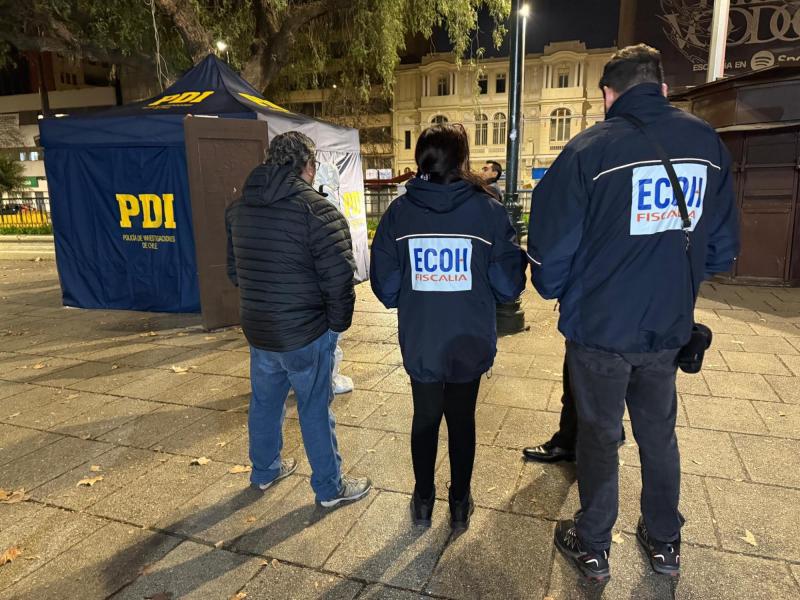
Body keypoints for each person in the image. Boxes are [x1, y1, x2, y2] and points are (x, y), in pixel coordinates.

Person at [527, 45, 739, 581]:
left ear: (607, 94)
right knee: (658, 433)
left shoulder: (587, 151)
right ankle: (664, 539)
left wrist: (554, 288)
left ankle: (594, 544)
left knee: (600, 435)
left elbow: (551, 253)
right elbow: (721, 247)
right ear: (663, 89)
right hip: (667, 324)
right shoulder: (707, 144)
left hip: (600, 328)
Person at [370, 124, 527, 531]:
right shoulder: (487, 210)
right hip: (468, 338)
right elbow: (508, 285)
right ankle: (459, 502)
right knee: (462, 419)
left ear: (421, 160)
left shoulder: (399, 214)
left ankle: (423, 499)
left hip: (422, 337)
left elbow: (386, 286)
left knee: (424, 417)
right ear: (462, 160)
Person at [226, 131, 372, 508]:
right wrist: (337, 326)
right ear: (308, 166)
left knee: (265, 401)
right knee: (313, 408)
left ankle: (264, 471)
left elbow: (235, 272)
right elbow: (340, 279)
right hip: (306, 332)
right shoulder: (318, 212)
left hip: (260, 328)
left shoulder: (240, 207)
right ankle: (329, 488)